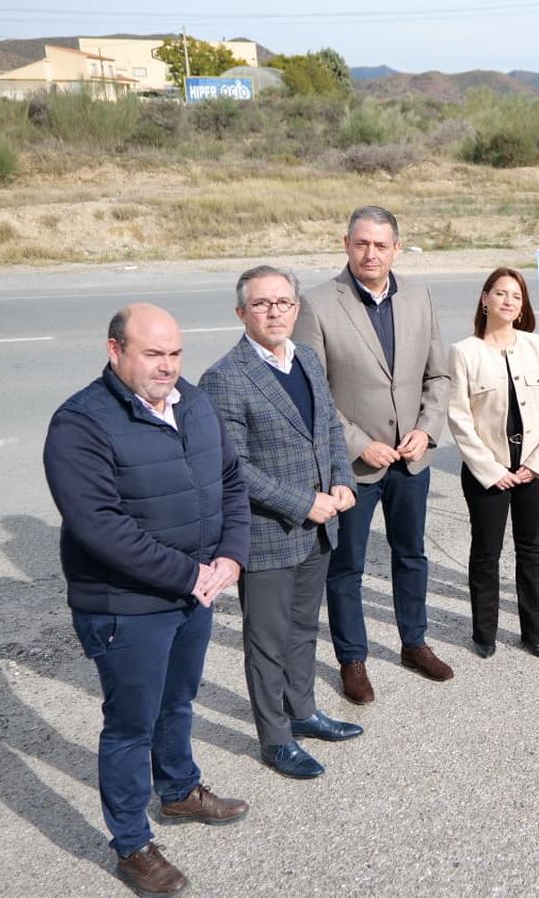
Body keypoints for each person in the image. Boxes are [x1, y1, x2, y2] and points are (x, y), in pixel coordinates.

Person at [43, 303, 251, 897]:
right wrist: (190, 574)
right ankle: (131, 843)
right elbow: (100, 527)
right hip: (126, 605)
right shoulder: (80, 424)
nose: (168, 366)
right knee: (130, 726)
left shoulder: (194, 402)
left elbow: (230, 481)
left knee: (178, 700)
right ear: (115, 351)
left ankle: (179, 790)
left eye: (175, 353)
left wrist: (231, 555)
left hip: (194, 593)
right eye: (153, 354)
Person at [199, 266, 363, 781]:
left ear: (296, 308)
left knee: (303, 629)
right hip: (270, 533)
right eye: (262, 303)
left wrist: (343, 481)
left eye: (284, 302)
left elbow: (329, 429)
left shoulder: (306, 358)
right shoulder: (225, 377)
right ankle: (275, 738)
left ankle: (303, 710)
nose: (274, 312)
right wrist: (303, 502)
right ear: (241, 312)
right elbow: (233, 467)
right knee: (267, 641)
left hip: (320, 526)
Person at [292, 205, 453, 696]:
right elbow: (313, 392)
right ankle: (352, 659)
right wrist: (361, 444)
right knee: (347, 567)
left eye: (381, 245)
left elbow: (438, 376)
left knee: (412, 556)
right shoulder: (318, 304)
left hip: (411, 458)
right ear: (346, 244)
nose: (371, 253)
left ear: (396, 249)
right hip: (353, 467)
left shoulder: (419, 296)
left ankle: (414, 642)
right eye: (362, 243)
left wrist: (426, 431)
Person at [447, 268, 539, 658]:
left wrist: (537, 462)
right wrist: (491, 470)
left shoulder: (536, 346)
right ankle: (485, 633)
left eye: (516, 295)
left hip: (533, 468)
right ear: (485, 299)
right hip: (488, 472)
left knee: (531, 550)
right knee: (486, 552)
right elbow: (459, 418)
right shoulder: (465, 352)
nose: (508, 301)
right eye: (500, 293)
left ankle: (534, 631)